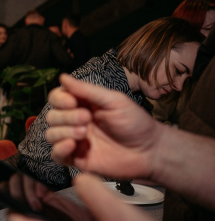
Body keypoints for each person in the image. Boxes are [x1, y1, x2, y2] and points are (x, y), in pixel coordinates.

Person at [9, 71, 215, 221]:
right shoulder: (105, 80)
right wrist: (155, 150)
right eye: (177, 70)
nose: (180, 85)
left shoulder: (138, 96)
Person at [17, 17, 203, 189]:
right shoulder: (97, 82)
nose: (179, 86)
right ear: (156, 47)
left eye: (186, 79)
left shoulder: (133, 93)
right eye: (178, 71)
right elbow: (89, 180)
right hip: (29, 187)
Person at [0, 10, 73, 83]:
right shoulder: (51, 36)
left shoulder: (16, 37)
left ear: (26, 21)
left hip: (20, 88)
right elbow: (65, 60)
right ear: (42, 20)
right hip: (44, 87)